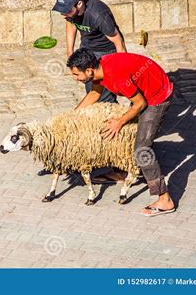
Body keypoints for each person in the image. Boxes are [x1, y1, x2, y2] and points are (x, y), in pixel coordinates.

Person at [67, 48, 175, 217]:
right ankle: (124, 171)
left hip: (157, 96)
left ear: (88, 71)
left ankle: (164, 198)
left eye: (76, 75)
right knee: (125, 133)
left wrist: (120, 121)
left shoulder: (116, 77)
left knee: (142, 149)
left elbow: (140, 104)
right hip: (144, 92)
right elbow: (94, 94)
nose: (74, 79)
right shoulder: (99, 70)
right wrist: (71, 117)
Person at [42, 0, 127, 181]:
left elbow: (118, 42)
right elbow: (70, 23)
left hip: (106, 56)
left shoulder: (99, 14)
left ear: (79, 4)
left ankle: (120, 164)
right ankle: (101, 150)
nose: (64, 15)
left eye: (67, 11)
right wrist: (70, 53)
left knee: (103, 103)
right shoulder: (71, 13)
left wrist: (121, 70)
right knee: (95, 100)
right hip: (87, 52)